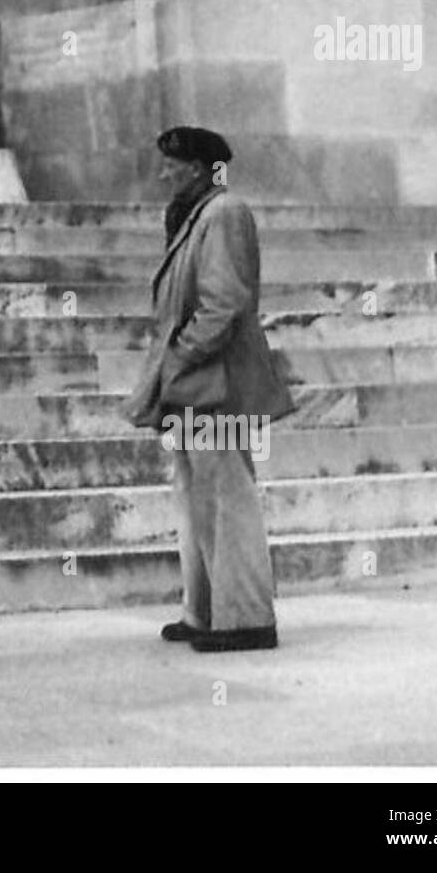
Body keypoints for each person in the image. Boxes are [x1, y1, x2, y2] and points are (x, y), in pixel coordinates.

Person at [122, 126, 295, 653]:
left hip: (215, 381)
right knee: (196, 496)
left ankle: (245, 619)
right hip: (193, 381)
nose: (162, 172)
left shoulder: (223, 212)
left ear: (196, 166)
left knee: (227, 496)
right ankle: (206, 615)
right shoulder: (195, 213)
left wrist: (182, 354)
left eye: (171, 163)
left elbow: (224, 303)